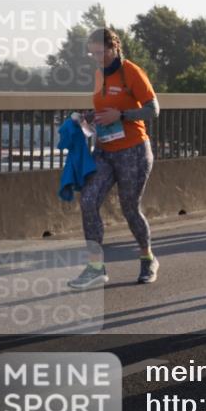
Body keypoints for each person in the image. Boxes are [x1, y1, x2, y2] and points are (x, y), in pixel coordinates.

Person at [68, 28, 160, 290]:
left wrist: (121, 114)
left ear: (114, 47)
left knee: (130, 209)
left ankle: (147, 258)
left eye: (101, 52)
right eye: (93, 53)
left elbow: (154, 109)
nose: (97, 57)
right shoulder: (99, 74)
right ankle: (96, 268)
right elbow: (103, 111)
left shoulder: (131, 71)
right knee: (88, 200)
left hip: (133, 151)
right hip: (105, 150)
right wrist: (89, 118)